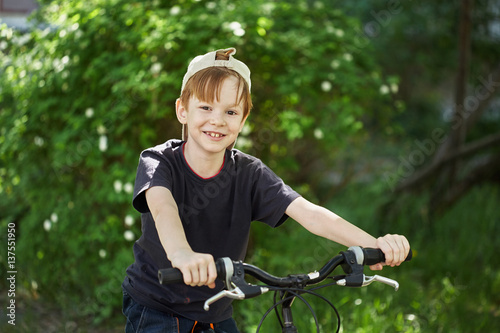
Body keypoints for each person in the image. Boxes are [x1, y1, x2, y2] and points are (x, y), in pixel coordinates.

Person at [122, 47, 410, 333]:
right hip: (157, 306)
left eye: (231, 111)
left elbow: (310, 214)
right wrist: (182, 254)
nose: (218, 120)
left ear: (243, 120)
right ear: (182, 110)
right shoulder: (159, 161)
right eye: (206, 107)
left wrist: (376, 244)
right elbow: (163, 208)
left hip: (216, 307)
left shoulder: (249, 172)